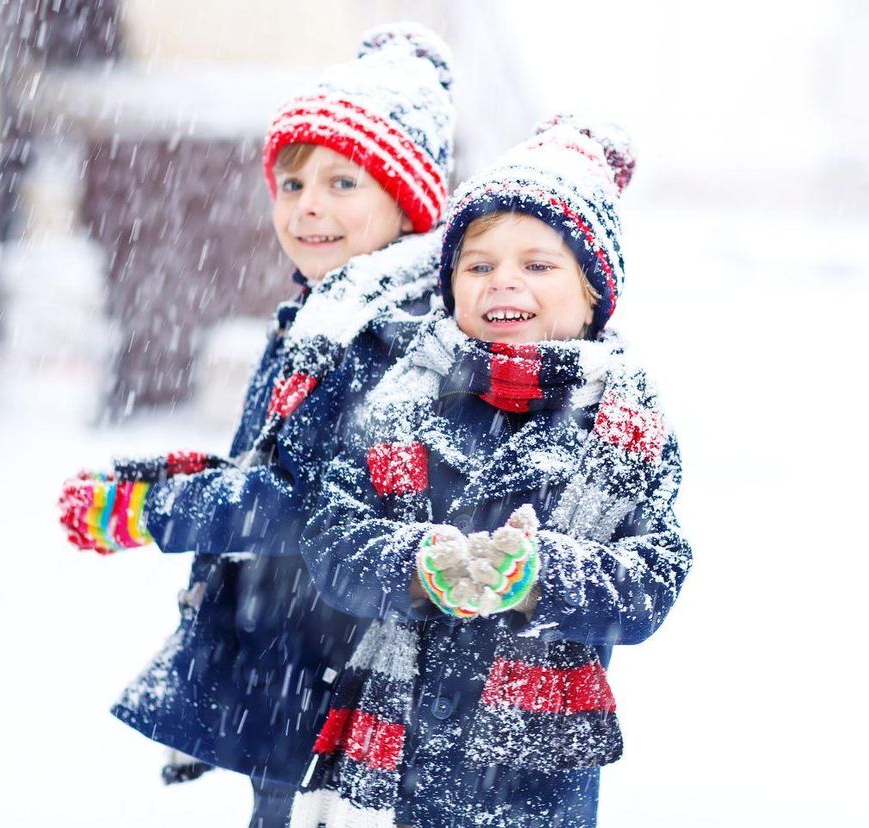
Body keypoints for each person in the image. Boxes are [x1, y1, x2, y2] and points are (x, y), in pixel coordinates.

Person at [57, 23, 455, 827]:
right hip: (293, 667)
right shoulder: (325, 315)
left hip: (345, 683)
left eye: (345, 184)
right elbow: (273, 461)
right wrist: (175, 476)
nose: (309, 206)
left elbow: (293, 505)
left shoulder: (387, 338)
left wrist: (141, 514)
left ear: (408, 202)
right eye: (292, 183)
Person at [291, 115, 693, 828]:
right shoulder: (402, 402)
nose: (503, 280)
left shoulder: (625, 429)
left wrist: (546, 575)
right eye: (478, 265)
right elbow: (332, 539)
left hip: (532, 780)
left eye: (539, 265)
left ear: (595, 294)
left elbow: (654, 574)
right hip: (397, 761)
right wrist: (417, 568)